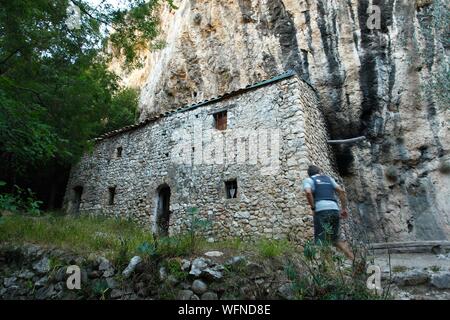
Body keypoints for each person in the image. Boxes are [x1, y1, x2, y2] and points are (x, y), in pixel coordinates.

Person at [302, 165, 354, 260]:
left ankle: (330, 270)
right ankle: (355, 260)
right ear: (320, 172)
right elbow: (341, 191)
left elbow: (308, 192)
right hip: (334, 210)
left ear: (309, 174)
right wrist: (343, 209)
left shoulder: (308, 180)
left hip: (321, 211)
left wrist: (313, 208)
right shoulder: (329, 179)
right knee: (335, 239)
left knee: (322, 242)